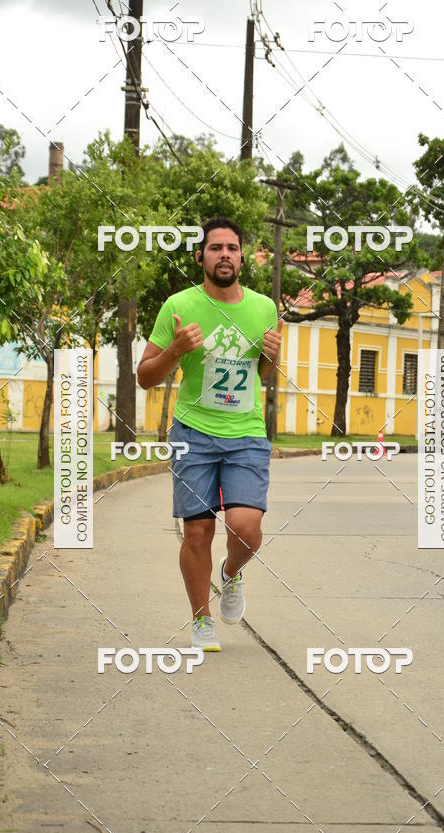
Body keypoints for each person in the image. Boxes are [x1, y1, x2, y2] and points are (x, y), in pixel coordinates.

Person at [137, 217, 283, 651]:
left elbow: (263, 376)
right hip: (194, 433)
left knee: (246, 529)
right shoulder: (178, 305)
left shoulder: (264, 308)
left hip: (246, 433)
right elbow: (145, 376)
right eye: (215, 247)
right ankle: (201, 620)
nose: (224, 254)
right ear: (200, 256)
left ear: (242, 257)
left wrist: (272, 358)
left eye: (232, 248)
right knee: (197, 531)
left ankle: (231, 572)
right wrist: (175, 350)